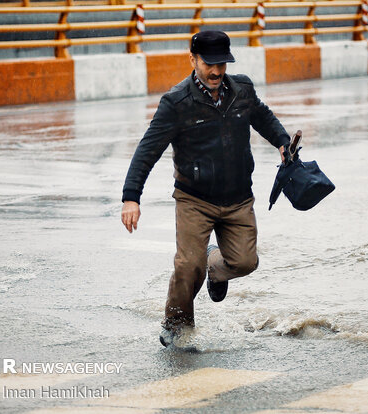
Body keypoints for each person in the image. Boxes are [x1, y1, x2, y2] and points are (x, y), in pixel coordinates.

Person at [120, 30, 290, 346]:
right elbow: (148, 149)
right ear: (193, 59)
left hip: (238, 198)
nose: (216, 72)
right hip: (194, 199)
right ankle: (176, 323)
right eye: (209, 64)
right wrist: (131, 197)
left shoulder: (242, 90)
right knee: (187, 267)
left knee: (245, 263)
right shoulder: (177, 103)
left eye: (222, 64)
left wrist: (282, 142)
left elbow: (263, 117)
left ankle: (215, 266)